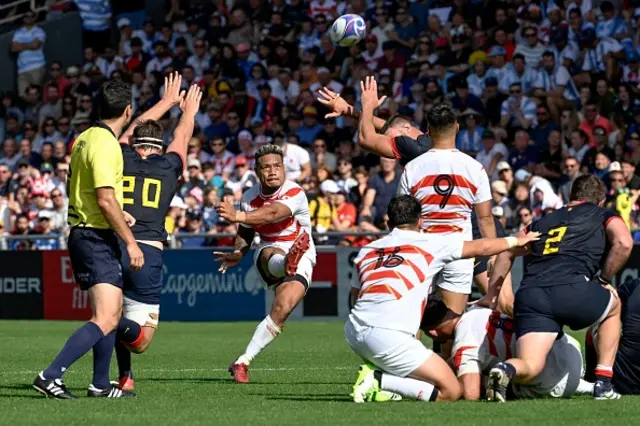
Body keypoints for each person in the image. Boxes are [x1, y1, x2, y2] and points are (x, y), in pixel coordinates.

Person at [346, 195, 539, 403]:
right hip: (390, 336)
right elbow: (481, 247)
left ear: (387, 222)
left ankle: (383, 381)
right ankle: (378, 380)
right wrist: (515, 240)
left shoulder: (367, 250)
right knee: (451, 391)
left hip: (353, 331)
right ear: (421, 221)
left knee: (419, 376)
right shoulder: (431, 243)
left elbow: (356, 297)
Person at [34, 80, 143, 399]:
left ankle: (99, 384)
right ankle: (50, 375)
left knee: (108, 313)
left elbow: (90, 192)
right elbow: (106, 198)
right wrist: (132, 242)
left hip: (89, 230)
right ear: (128, 110)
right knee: (106, 316)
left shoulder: (83, 138)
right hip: (94, 235)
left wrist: (121, 215)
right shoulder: (107, 145)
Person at [486, 175, 633, 401]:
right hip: (571, 288)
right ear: (601, 201)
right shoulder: (603, 214)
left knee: (531, 365)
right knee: (614, 307)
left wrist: (493, 295)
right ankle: (603, 383)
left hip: (532, 294)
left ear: (570, 197)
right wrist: (603, 279)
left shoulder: (543, 220)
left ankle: (506, 370)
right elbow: (624, 243)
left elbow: (506, 250)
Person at [112, 74, 201, 391]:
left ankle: (124, 377)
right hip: (147, 251)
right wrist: (187, 110)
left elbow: (127, 129)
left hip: (113, 245)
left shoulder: (121, 155)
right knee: (141, 340)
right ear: (158, 147)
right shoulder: (168, 166)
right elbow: (182, 136)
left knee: (114, 311)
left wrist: (165, 101)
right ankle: (103, 325)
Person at [215, 143, 316, 384]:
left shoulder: (295, 192)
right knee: (271, 251)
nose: (272, 171)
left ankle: (242, 361)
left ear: (284, 169)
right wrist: (238, 252)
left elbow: (273, 213)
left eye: (277, 166)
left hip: (303, 253)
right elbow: (246, 232)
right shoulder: (250, 197)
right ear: (257, 172)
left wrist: (238, 215)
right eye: (266, 167)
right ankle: (284, 262)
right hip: (268, 254)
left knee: (282, 310)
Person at [391, 97, 495, 317]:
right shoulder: (475, 168)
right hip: (459, 250)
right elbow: (485, 219)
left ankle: (415, 352)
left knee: (413, 316)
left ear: (428, 131)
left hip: (423, 250)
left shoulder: (412, 168)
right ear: (457, 127)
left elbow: (403, 218)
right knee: (451, 319)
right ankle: (450, 352)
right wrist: (493, 255)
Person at [422, 303, 587, 400]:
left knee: (482, 380)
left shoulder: (464, 344)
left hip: (555, 385)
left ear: (432, 332)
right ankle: (589, 386)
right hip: (572, 353)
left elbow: (470, 394)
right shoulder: (477, 308)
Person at [584, 278, 640, 395]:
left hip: (623, 380)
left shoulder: (634, 285)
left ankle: (591, 379)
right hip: (625, 376)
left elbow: (606, 302)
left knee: (596, 328)